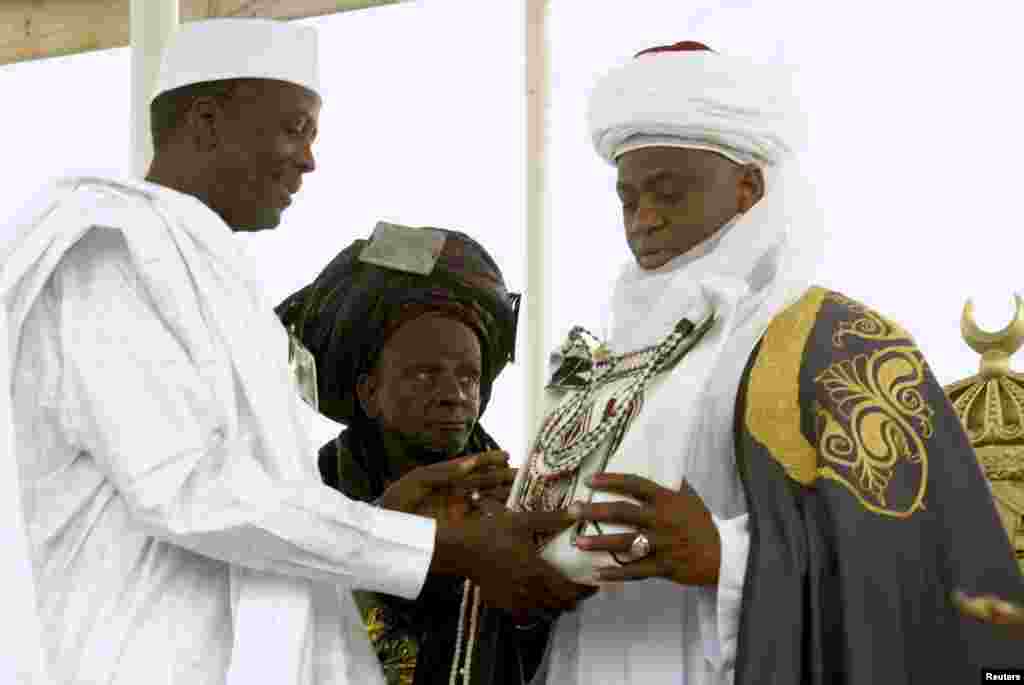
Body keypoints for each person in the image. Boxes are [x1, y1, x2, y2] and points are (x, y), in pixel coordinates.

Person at [0, 18, 583, 685]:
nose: (309, 160)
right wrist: (434, 545)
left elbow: (257, 508)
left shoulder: (208, 273)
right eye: (294, 128)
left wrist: (378, 520)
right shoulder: (108, 256)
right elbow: (190, 490)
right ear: (208, 121)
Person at [512, 40, 1024, 684]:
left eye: (668, 192)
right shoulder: (609, 363)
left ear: (748, 187)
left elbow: (919, 565)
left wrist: (725, 557)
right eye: (627, 198)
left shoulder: (840, 343)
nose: (642, 220)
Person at [277, 224, 560, 685]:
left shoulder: (518, 503)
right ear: (369, 392)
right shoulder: (309, 496)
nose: (455, 396)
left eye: (469, 378)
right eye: (426, 375)